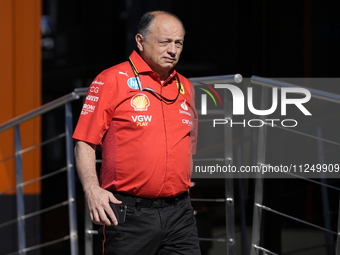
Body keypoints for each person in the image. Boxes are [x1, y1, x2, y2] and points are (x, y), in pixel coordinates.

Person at [73, 10, 200, 255]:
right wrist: (92, 189)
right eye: (164, 42)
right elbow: (84, 142)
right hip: (129, 213)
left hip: (180, 214)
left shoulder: (186, 86)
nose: (172, 50)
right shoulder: (111, 79)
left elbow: (189, 144)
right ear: (140, 41)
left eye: (178, 43)